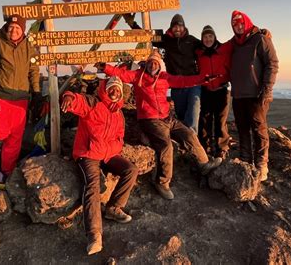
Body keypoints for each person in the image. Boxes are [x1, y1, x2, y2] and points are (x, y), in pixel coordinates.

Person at [96, 51, 222, 201]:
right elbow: (122, 74)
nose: (152, 65)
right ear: (147, 63)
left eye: (155, 62)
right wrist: (106, 68)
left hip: (168, 117)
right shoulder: (138, 76)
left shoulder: (164, 77)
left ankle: (203, 163)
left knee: (189, 134)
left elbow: (184, 81)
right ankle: (161, 182)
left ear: (159, 65)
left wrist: (203, 79)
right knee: (165, 145)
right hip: (149, 119)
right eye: (150, 62)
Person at [61, 76, 138, 255]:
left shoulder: (119, 114)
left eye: (118, 90)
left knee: (131, 170)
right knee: (93, 186)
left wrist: (109, 149)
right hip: (87, 154)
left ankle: (113, 207)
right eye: (112, 88)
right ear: (106, 89)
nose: (114, 91)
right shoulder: (94, 103)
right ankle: (94, 235)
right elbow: (77, 100)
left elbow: (120, 139)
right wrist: (68, 98)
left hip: (107, 154)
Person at [0, 15, 41, 176]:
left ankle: (7, 170)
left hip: (21, 98)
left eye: (17, 28)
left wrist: (36, 92)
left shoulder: (29, 47)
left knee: (15, 138)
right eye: (11, 27)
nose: (13, 30)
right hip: (1, 95)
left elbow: (34, 71)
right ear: (6, 27)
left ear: (22, 30)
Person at [230, 10, 279, 181]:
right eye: (235, 25)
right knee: (242, 129)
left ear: (248, 22)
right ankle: (245, 159)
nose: (239, 27)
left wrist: (267, 90)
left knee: (259, 129)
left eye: (241, 23)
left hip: (257, 94)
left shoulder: (260, 39)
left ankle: (261, 164)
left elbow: (272, 64)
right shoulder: (234, 43)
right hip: (238, 94)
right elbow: (219, 49)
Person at [152, 14, 203, 132]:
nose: (177, 29)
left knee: (193, 111)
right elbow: (146, 37)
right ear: (171, 28)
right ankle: (186, 141)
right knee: (181, 114)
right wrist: (133, 24)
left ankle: (192, 140)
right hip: (176, 85)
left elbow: (207, 47)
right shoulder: (166, 40)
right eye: (174, 27)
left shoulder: (191, 40)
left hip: (193, 83)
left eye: (180, 26)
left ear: (184, 27)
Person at [196, 25, 232, 159]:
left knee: (220, 121)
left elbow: (237, 40)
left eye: (210, 36)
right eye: (205, 37)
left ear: (215, 37)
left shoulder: (223, 49)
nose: (208, 39)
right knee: (205, 120)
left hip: (221, 90)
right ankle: (205, 148)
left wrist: (260, 32)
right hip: (205, 90)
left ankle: (222, 148)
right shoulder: (199, 52)